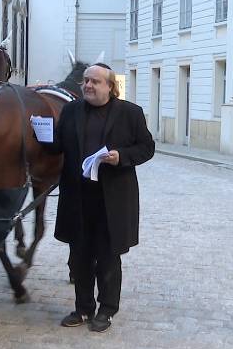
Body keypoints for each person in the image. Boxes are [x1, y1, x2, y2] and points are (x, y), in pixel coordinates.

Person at [44, 63, 155, 332]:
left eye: (95, 81)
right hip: (78, 196)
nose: (88, 86)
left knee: (107, 256)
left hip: (112, 198)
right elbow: (58, 145)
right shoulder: (71, 111)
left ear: (110, 87)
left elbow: (146, 148)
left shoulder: (130, 113)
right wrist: (42, 135)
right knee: (79, 255)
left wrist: (121, 157)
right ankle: (83, 308)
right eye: (85, 81)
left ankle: (106, 309)